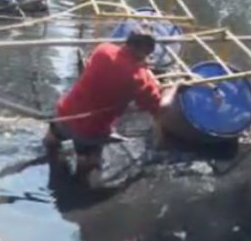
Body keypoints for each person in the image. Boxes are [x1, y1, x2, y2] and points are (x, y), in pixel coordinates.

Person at [44, 30, 169, 180]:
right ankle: (80, 180)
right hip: (90, 130)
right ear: (145, 51)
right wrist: (173, 88)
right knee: (87, 162)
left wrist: (140, 67)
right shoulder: (138, 78)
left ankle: (50, 148)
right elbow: (156, 105)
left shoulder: (103, 49)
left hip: (66, 114)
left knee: (52, 139)